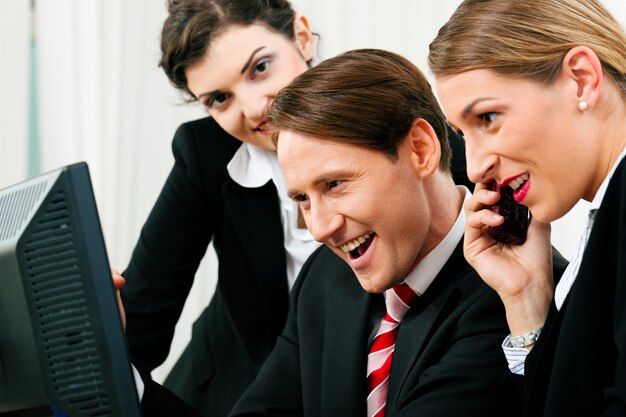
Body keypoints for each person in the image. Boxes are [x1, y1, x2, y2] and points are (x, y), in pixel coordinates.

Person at [137, 48, 567, 417]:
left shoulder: (511, 295)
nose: (320, 228)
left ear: (420, 149)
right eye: (303, 199)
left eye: (335, 184)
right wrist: (129, 388)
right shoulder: (324, 280)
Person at [120, 1, 473, 415]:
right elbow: (144, 310)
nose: (253, 108)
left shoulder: (429, 153)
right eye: (218, 98)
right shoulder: (206, 155)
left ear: (302, 37)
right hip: (243, 385)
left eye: (260, 68)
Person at [428, 0, 626, 415]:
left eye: (488, 117)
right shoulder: (607, 222)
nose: (477, 164)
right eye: (464, 134)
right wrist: (526, 300)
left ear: (581, 79)